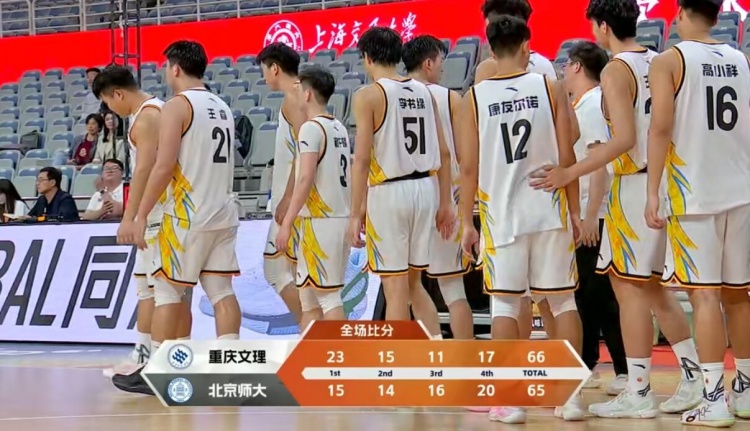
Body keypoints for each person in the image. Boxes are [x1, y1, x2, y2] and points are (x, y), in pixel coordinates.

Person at [530, 0, 703, 418]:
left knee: (628, 290)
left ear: (603, 26)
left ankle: (638, 389)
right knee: (654, 289)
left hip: (633, 182)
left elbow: (623, 139)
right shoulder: (659, 59)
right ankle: (695, 377)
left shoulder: (614, 70)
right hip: (664, 179)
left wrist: (569, 173)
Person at [459, 15, 583, 423]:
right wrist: (576, 211)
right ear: (527, 45)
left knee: (505, 307)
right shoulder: (550, 86)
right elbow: (567, 154)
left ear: (489, 50)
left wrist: (466, 222)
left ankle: (509, 401)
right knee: (563, 301)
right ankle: (570, 398)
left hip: (502, 215)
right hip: (549, 208)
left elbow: (469, 168)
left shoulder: (474, 97)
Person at [115, 41, 242, 394]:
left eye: (165, 67)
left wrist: (140, 213)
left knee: (167, 292)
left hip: (188, 214)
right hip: (224, 211)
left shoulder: (177, 105)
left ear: (175, 68)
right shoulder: (222, 106)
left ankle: (158, 371)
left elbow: (163, 166)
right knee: (221, 292)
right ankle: (231, 369)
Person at [646, 0, 750, 426]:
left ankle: (714, 398)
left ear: (683, 13)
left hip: (695, 193)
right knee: (738, 296)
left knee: (704, 296)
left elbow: (660, 127)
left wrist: (652, 191)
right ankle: (745, 392)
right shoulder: (740, 59)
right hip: (740, 188)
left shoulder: (669, 60)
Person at [473, 0, 574, 346]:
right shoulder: (548, 75)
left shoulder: (482, 82)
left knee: (506, 302)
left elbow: (473, 156)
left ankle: (512, 379)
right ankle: (567, 379)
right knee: (559, 300)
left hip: (502, 205)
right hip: (547, 198)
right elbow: (570, 138)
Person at [348, 27, 453, 339]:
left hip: (390, 192)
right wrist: (446, 202)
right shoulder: (425, 91)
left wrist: (354, 212)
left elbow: (361, 160)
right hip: (425, 189)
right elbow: (444, 152)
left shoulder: (368, 95)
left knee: (394, 287)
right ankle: (435, 350)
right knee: (413, 284)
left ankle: (396, 358)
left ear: (367, 58)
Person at [91, 64, 192, 382]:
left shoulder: (147, 116)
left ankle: (161, 360)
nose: (110, 110)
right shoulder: (154, 110)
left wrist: (131, 216)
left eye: (108, 102)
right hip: (163, 210)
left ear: (118, 94)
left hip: (162, 212)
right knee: (153, 289)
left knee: (161, 291)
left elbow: (146, 170)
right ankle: (148, 353)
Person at [563, 40, 628, 395]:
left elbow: (599, 163)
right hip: (594, 210)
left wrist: (590, 217)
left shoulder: (590, 105)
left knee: (601, 296)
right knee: (588, 295)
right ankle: (589, 365)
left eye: (566, 65)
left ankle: (623, 370)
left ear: (576, 66)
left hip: (597, 212)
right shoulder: (586, 103)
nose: (562, 71)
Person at [401, 35, 474, 340]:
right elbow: (464, 155)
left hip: (407, 197)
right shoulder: (450, 98)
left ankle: (433, 348)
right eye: (441, 61)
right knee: (453, 289)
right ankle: (465, 355)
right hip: (446, 197)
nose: (443, 68)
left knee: (408, 287)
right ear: (428, 63)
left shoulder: (390, 96)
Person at [275, 65, 350, 321]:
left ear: (307, 94)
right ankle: (311, 347)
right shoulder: (338, 127)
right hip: (331, 219)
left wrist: (287, 223)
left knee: (328, 298)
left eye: (299, 89)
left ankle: (341, 348)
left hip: (322, 222)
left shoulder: (311, 128)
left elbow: (305, 178)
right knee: (308, 299)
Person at [255, 43, 308, 330]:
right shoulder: (304, 92)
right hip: (304, 197)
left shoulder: (293, 96)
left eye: (264, 70)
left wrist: (288, 198)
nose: (264, 76)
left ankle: (310, 330)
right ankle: (312, 332)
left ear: (274, 68)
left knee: (276, 270)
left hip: (296, 199)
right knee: (297, 273)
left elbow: (305, 150)